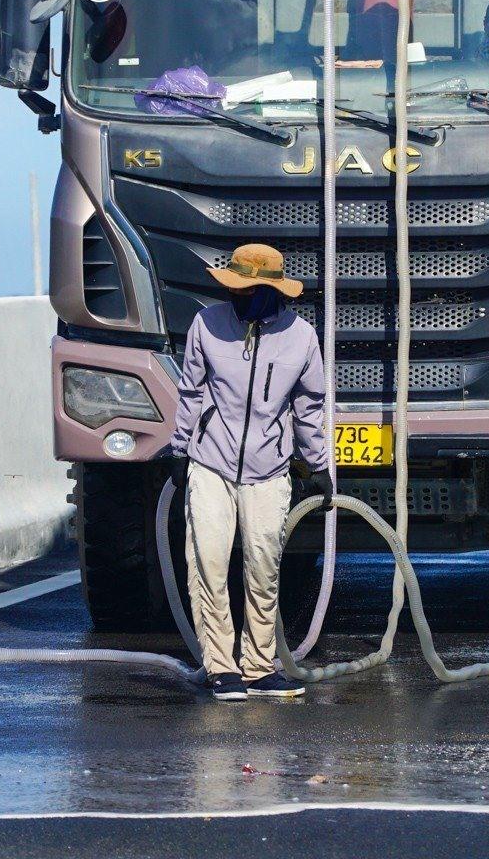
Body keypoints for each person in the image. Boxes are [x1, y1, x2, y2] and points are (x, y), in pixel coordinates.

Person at [165, 242, 332, 701]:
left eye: (250, 289)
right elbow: (192, 392)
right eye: (235, 288)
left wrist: (318, 464)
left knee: (263, 568)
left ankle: (258, 666)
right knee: (208, 562)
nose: (240, 297)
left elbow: (309, 406)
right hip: (210, 462)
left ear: (273, 291)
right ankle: (221, 666)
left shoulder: (301, 337)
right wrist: (181, 451)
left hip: (269, 468)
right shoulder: (208, 324)